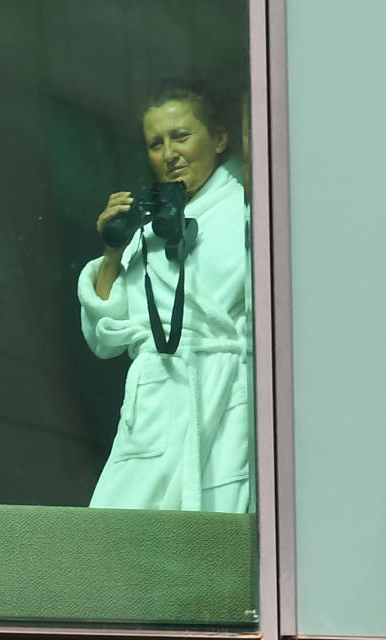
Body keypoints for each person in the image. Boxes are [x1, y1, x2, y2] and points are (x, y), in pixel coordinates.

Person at [77, 81, 250, 513]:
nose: (169, 152)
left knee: (216, 543)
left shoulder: (250, 211)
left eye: (181, 136)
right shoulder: (148, 230)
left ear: (220, 139)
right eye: (156, 143)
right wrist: (113, 250)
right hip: (155, 404)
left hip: (225, 400)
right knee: (116, 545)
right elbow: (104, 338)